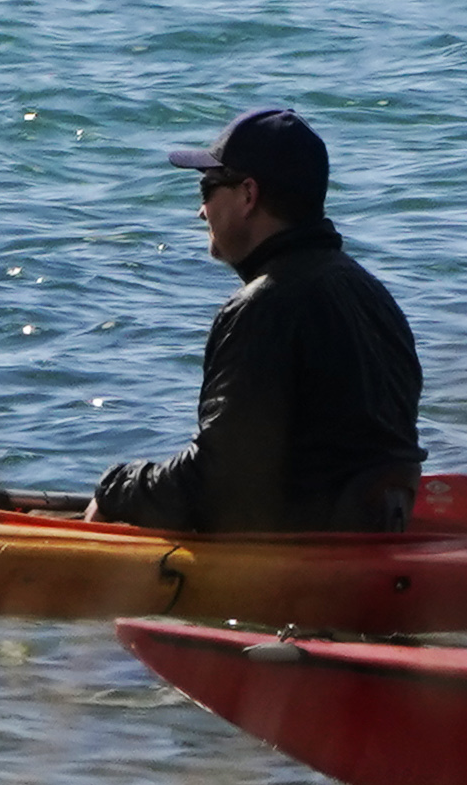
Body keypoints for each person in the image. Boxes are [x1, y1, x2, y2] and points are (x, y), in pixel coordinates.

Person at [89, 107, 425, 536]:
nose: (201, 211)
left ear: (248, 195)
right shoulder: (373, 297)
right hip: (374, 536)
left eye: (207, 189)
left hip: (299, 561)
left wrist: (117, 489)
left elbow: (214, 485)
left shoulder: (262, 308)